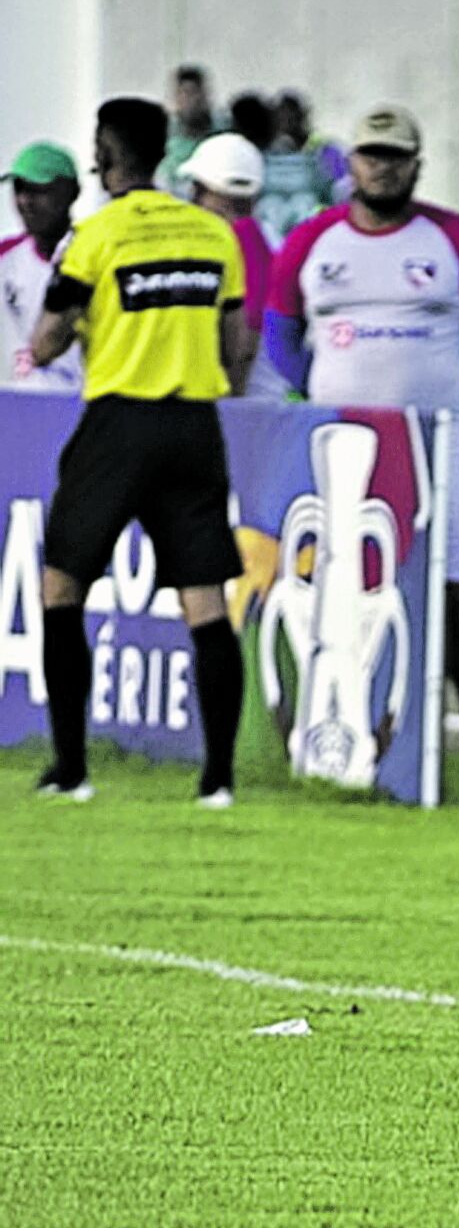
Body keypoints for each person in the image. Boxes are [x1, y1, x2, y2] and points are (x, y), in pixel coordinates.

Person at [264, 107, 459, 802]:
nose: (383, 166)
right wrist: (322, 396)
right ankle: (325, 736)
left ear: (418, 164)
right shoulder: (311, 242)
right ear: (349, 163)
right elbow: (278, 337)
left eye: (396, 156)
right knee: (332, 588)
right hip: (338, 447)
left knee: (455, 592)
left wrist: (446, 402)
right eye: (371, 154)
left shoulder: (455, 241)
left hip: (435, 446)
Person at [28, 97, 253, 806]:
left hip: (119, 423)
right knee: (206, 601)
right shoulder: (214, 235)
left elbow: (44, 341)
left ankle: (71, 770)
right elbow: (237, 342)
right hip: (193, 424)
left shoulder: (96, 235)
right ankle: (217, 781)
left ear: (103, 151)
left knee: (62, 586)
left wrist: (87, 328)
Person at [179, 134, 283, 399]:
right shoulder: (267, 240)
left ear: (201, 190)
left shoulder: (243, 242)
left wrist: (229, 405)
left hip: (243, 403)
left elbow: (244, 345)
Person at [3, 142, 85, 393]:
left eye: (39, 190)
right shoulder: (6, 258)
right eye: (19, 189)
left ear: (71, 192)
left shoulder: (96, 252)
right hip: (22, 404)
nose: (25, 201)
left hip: (86, 403)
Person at [259, 89, 347, 236]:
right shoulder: (265, 153)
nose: (285, 125)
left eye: (291, 118)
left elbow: (338, 190)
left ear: (303, 118)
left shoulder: (326, 150)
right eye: (280, 120)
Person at [156, 65, 222, 200]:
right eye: (183, 94)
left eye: (194, 93)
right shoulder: (165, 134)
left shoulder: (221, 134)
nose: (190, 101)